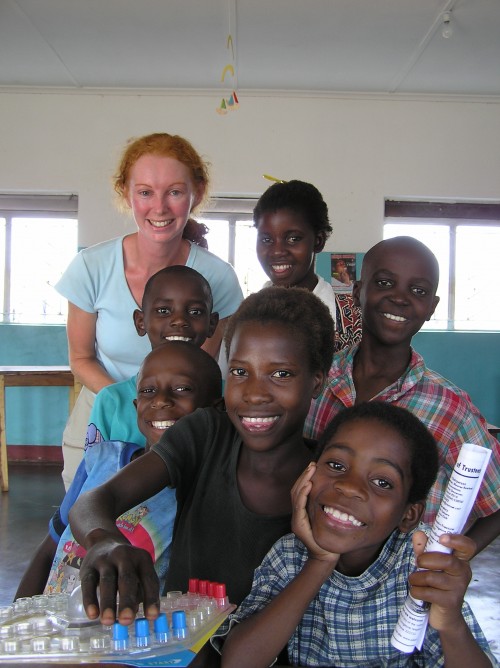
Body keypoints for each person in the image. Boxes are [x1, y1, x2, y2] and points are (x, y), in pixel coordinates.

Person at [68, 286, 334, 626]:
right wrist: (103, 541)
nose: (253, 394)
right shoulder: (206, 435)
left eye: (280, 374)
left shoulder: (326, 480)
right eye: (240, 372)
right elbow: (94, 502)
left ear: (316, 382)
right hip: (180, 653)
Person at [217, 402, 498, 668]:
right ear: (307, 475)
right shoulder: (289, 555)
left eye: (382, 482)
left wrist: (451, 623)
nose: (349, 487)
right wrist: (320, 561)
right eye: (337, 466)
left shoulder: (418, 564)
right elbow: (238, 662)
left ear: (408, 515)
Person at [55, 132, 243, 489]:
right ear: (127, 194)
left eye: (174, 191)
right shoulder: (91, 267)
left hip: (182, 420)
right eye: (145, 192)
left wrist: (159, 408)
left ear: (196, 194)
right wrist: (132, 403)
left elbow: (200, 368)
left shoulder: (217, 277)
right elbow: (80, 358)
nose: (160, 207)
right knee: (87, 521)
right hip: (103, 410)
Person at [304, 236, 500, 555]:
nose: (400, 298)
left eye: (418, 291)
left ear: (432, 307)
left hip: (402, 592)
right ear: (357, 291)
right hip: (309, 571)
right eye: (384, 282)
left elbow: (496, 500)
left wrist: (454, 557)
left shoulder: (449, 407)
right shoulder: (317, 381)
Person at [14, 342, 222, 600]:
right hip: (53, 630)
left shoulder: (208, 486)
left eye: (182, 388)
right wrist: (15, 618)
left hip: (127, 634)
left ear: (217, 409)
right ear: (136, 406)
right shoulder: (100, 460)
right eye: (148, 390)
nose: (160, 401)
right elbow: (50, 549)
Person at [85, 264, 219, 449]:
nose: (179, 320)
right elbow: (96, 467)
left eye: (195, 312)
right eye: (163, 311)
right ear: (141, 322)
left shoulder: (225, 395)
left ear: (212, 324)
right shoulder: (111, 400)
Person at [253, 179, 362, 352]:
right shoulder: (248, 314)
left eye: (293, 238)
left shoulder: (353, 318)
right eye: (267, 239)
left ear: (318, 241)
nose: (277, 251)